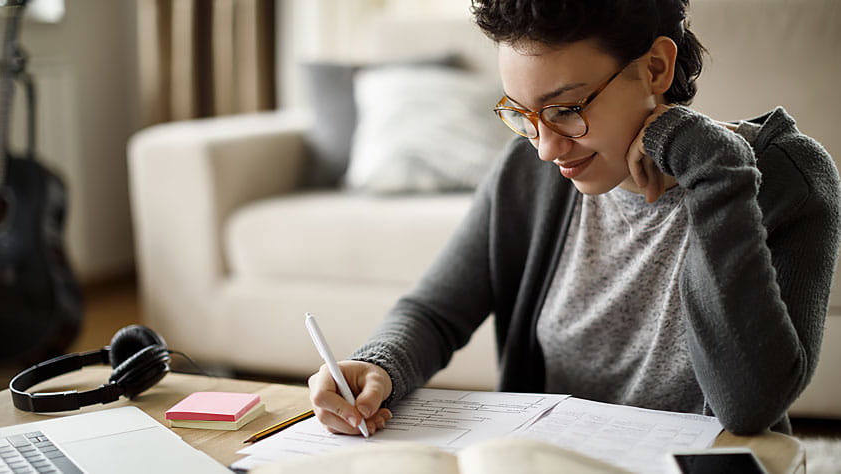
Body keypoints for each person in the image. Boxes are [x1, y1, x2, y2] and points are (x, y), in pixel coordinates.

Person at [308, 0, 841, 437]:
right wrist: (379, 365)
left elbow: (748, 406)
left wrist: (714, 167)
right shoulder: (530, 170)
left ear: (656, 66)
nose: (545, 149)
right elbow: (435, 310)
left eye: (566, 109)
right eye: (523, 113)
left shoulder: (789, 178)